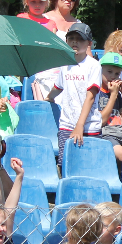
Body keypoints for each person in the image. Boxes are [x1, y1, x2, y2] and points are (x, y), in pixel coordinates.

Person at [46, 22, 102, 164]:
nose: (75, 42)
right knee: (65, 164)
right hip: (67, 125)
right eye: (71, 38)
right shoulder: (65, 64)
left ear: (89, 43)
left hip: (89, 126)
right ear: (66, 41)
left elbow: (90, 97)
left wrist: (80, 126)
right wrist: (49, 98)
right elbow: (58, 87)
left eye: (80, 39)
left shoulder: (94, 65)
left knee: (89, 165)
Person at [95, 52, 122, 162]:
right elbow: (100, 121)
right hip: (105, 134)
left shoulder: (118, 94)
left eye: (117, 74)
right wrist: (113, 95)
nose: (112, 76)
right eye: (109, 71)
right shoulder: (96, 93)